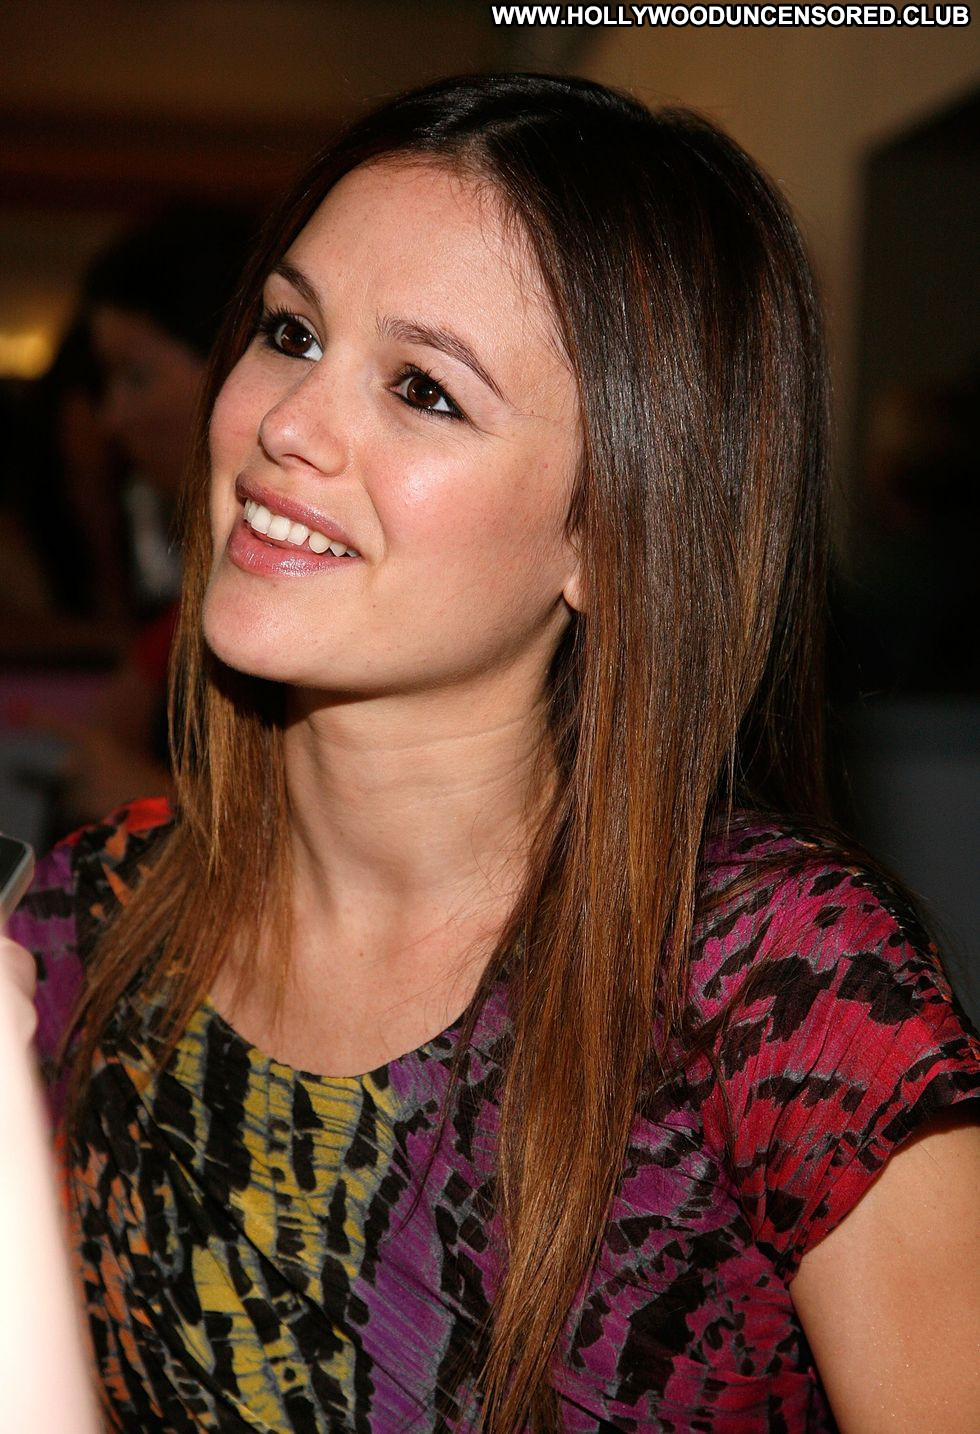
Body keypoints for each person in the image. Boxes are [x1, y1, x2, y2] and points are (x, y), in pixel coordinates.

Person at [6, 73, 979, 1433]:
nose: (285, 423)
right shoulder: (80, 929)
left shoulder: (779, 990)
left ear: (610, 537)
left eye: (424, 390)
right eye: (291, 331)